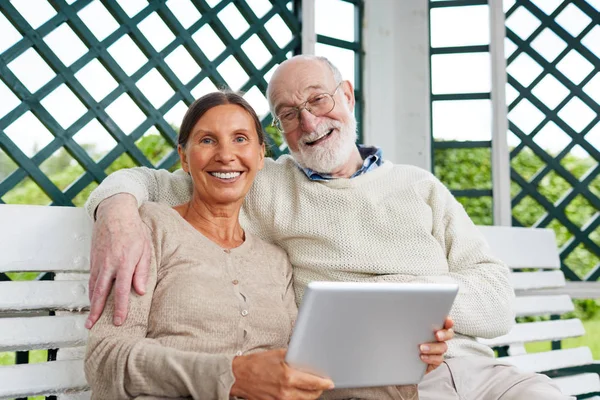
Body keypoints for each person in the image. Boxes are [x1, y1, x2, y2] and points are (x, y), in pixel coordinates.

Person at [84, 55, 568, 399]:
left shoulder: (420, 186)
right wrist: (116, 210)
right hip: (371, 382)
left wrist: (420, 305)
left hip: (472, 368)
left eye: (318, 100)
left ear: (348, 96)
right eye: (288, 115)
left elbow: (497, 302)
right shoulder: (266, 181)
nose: (310, 122)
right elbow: (160, 179)